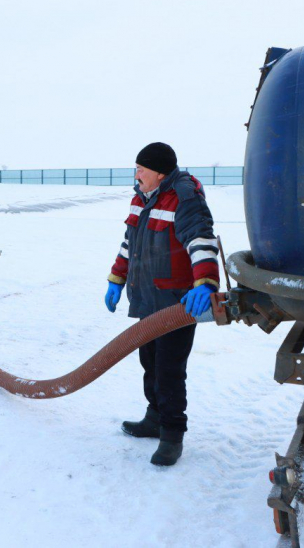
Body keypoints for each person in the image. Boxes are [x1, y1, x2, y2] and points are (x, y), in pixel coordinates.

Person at [104, 142, 219, 466]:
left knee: (169, 370)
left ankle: (172, 435)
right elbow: (130, 243)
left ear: (159, 172)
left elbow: (201, 240)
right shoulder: (141, 198)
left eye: (141, 169)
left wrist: (205, 282)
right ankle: (154, 418)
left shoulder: (184, 197)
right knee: (150, 363)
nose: (136, 175)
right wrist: (116, 278)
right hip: (147, 298)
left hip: (175, 303)